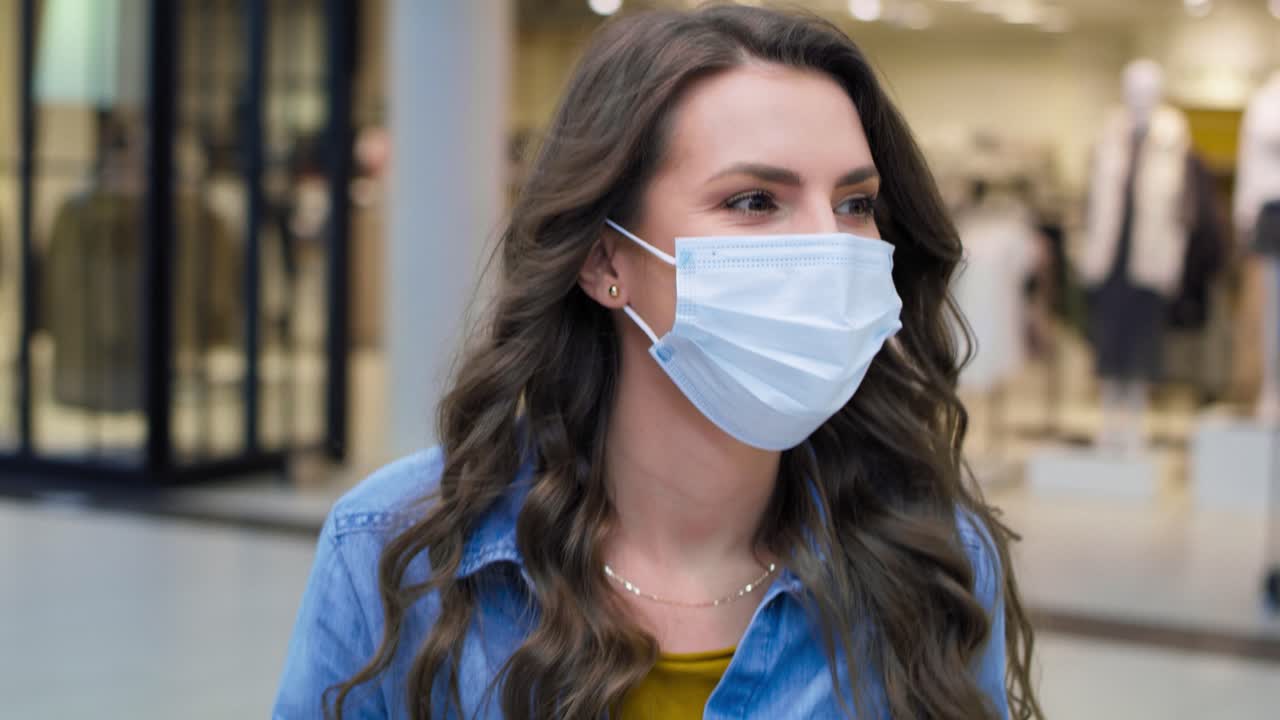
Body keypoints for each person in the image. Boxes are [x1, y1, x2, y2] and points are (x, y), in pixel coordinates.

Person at [273, 6, 1041, 719]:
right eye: (753, 202)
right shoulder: (395, 555)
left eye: (855, 203)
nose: (832, 245)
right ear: (605, 256)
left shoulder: (934, 560)